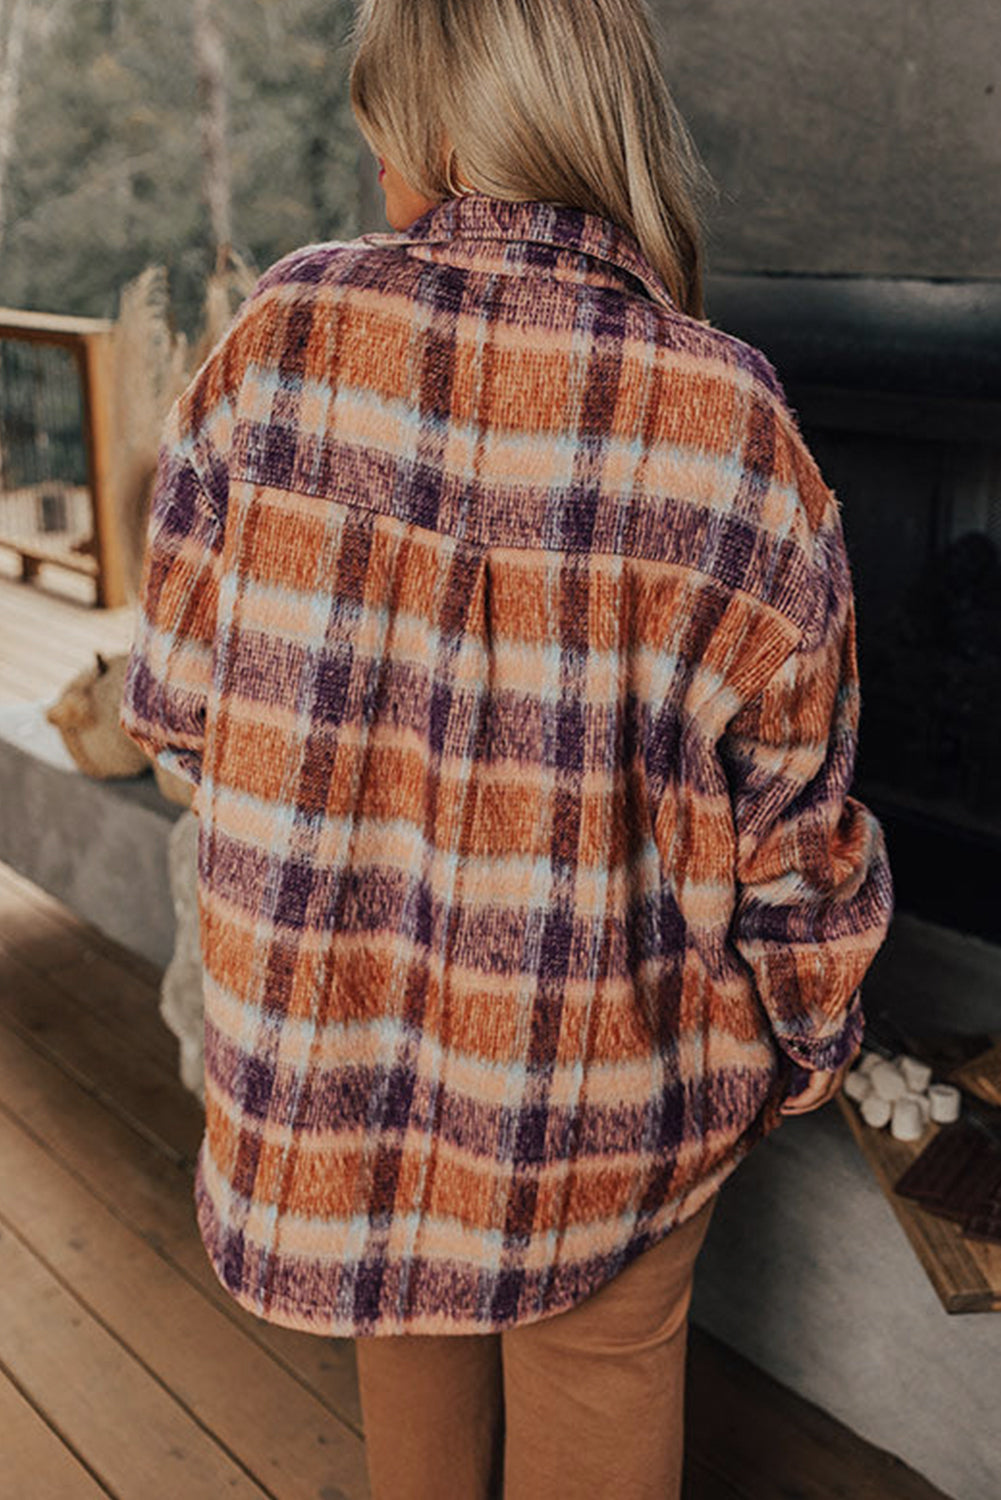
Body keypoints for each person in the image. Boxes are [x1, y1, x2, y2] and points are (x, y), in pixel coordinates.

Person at [119, 0, 894, 1495]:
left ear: (467, 129)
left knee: (406, 1389)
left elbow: (176, 704)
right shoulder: (730, 415)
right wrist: (809, 1040)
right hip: (611, 1096)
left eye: (393, 142)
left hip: (345, 1076)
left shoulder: (280, 339)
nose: (388, 182)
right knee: (599, 1381)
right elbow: (795, 828)